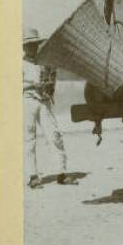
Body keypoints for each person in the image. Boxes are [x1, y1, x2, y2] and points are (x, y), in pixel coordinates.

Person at [23, 27, 76, 188]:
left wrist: (48, 86)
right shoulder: (19, 63)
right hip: (26, 102)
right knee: (29, 140)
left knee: (54, 135)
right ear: (24, 47)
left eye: (34, 44)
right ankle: (33, 177)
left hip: (43, 102)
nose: (32, 47)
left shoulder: (43, 62)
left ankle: (61, 173)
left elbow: (50, 80)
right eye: (29, 44)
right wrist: (33, 85)